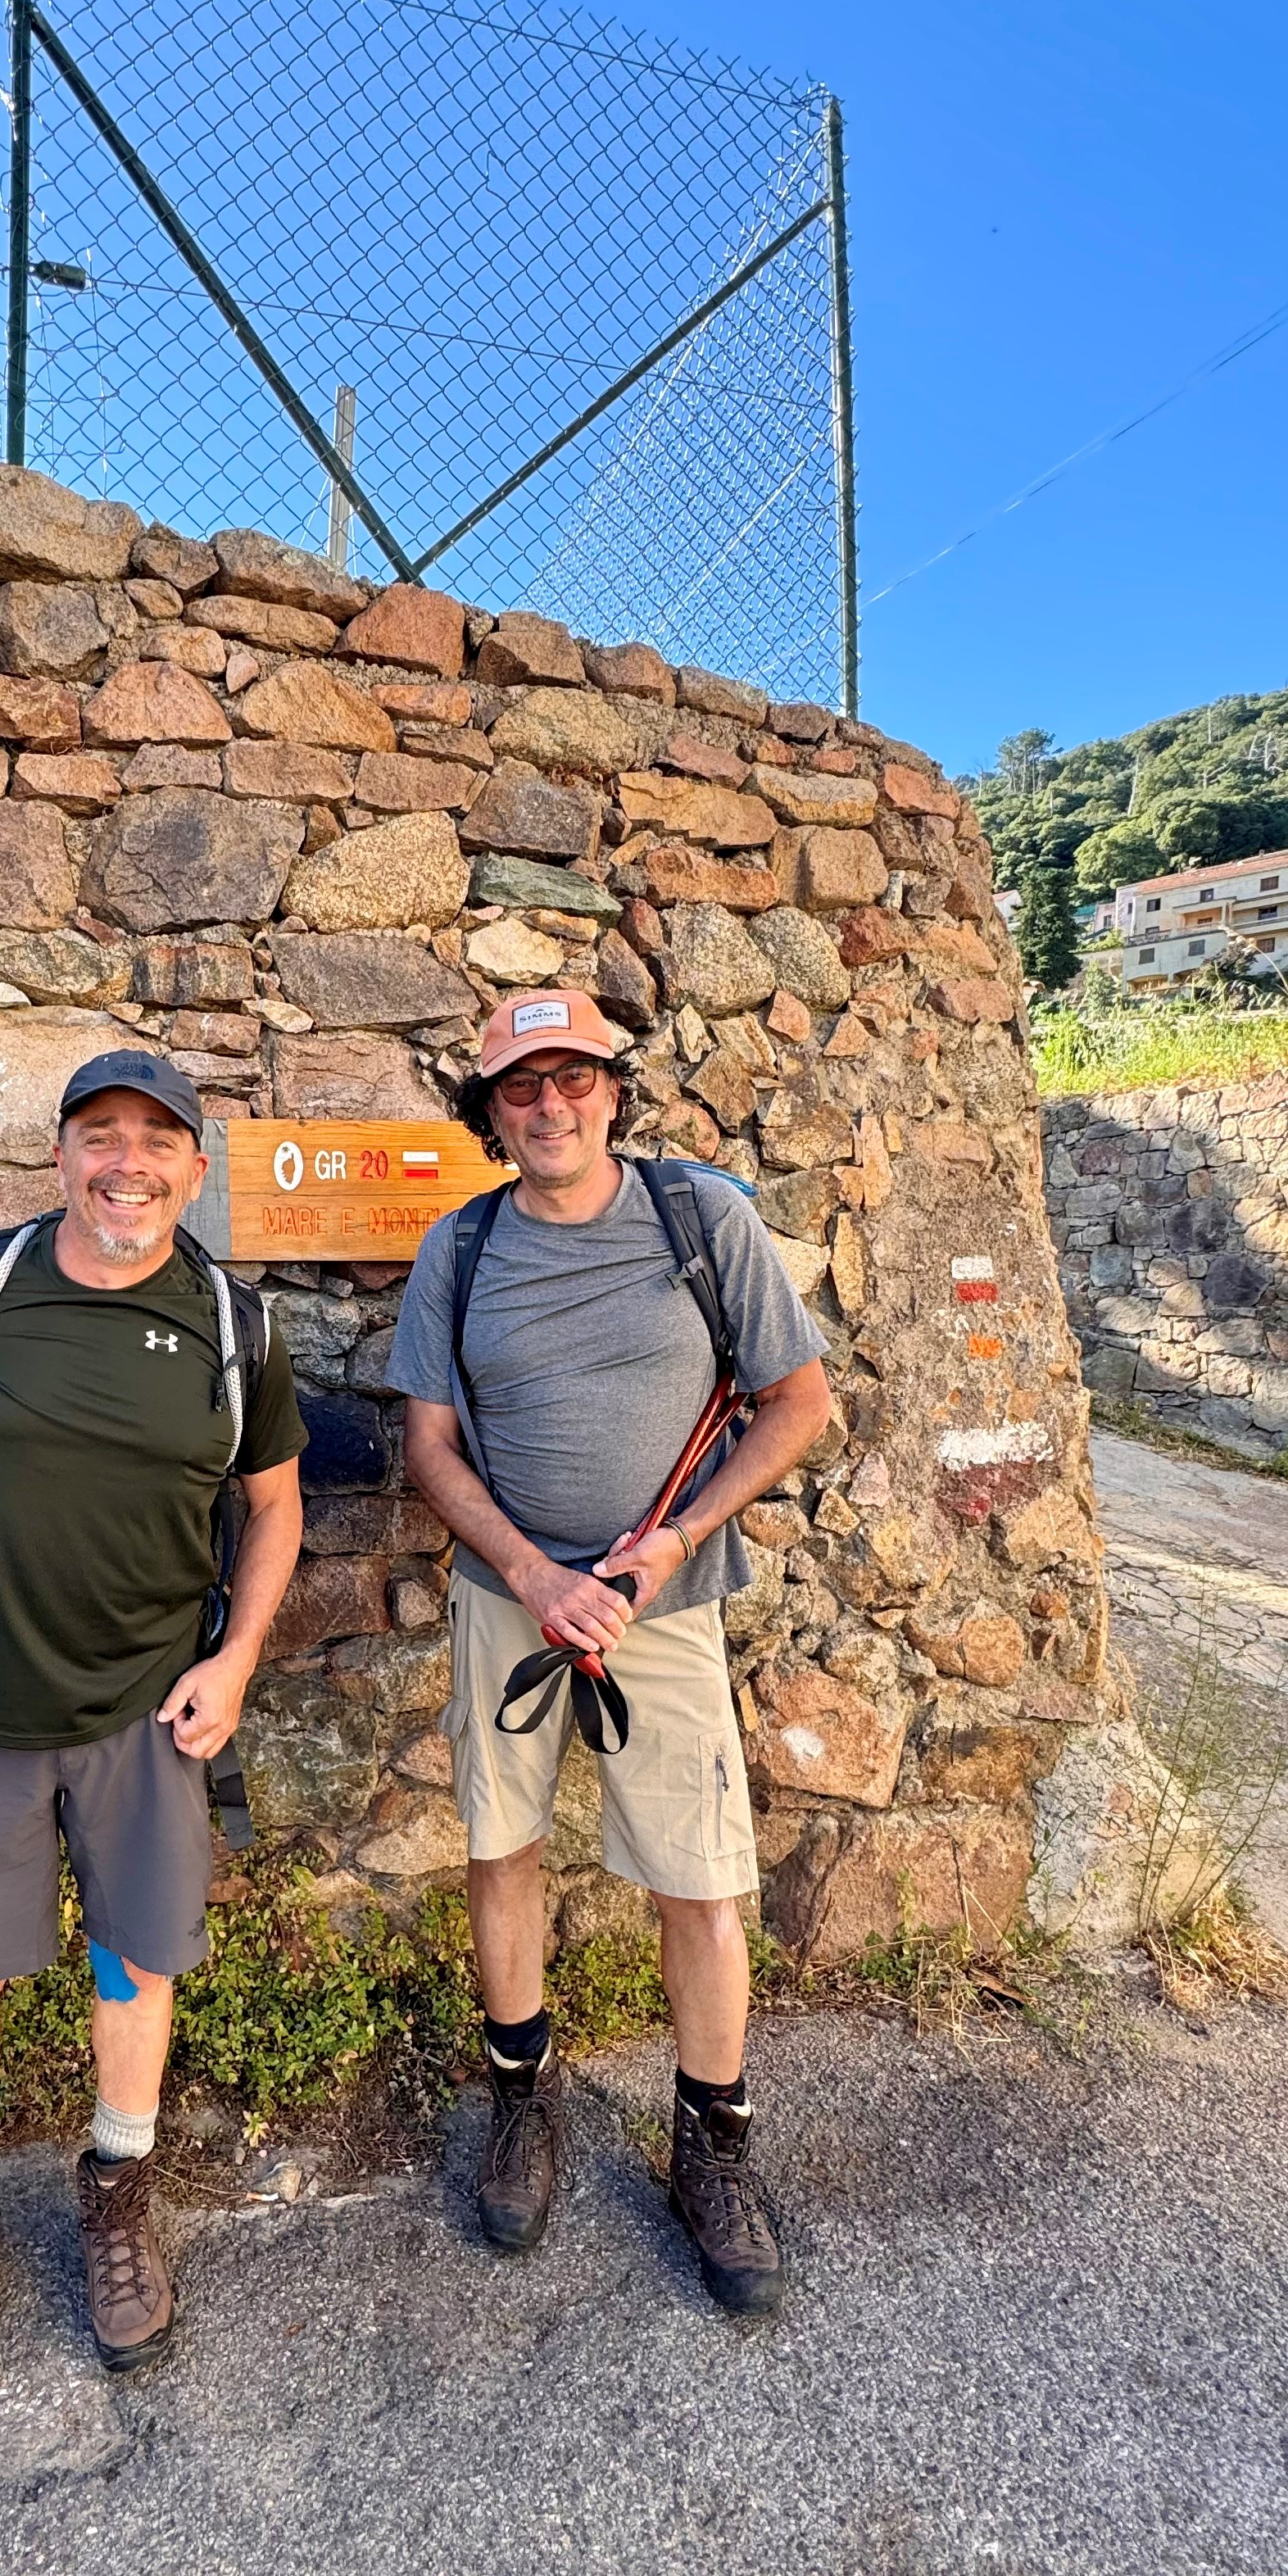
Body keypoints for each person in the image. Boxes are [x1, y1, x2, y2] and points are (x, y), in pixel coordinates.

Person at [0, 1049, 306, 2411]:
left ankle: (116, 2204)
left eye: (158, 1143)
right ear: (59, 1157)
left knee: (132, 1968)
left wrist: (233, 1664)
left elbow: (275, 1508)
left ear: (196, 1170)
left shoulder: (236, 1328)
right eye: (101, 1137)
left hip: (150, 1719)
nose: (129, 1164)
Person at [393, 991, 833, 2313]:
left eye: (575, 1079)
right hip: (504, 1603)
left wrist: (668, 1544)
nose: (551, 1106)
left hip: (671, 1603)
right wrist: (531, 1573)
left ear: (614, 1094)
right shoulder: (458, 1251)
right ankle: (522, 2104)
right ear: (491, 1115)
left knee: (699, 1881)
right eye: (522, 1089)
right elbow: (427, 1445)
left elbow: (797, 1403)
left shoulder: (703, 1223)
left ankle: (715, 2144)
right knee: (500, 1847)